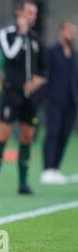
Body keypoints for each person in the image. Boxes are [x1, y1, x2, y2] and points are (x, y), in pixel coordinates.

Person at [0, 0, 46, 195]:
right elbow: (10, 55)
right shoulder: (7, 34)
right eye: (30, 13)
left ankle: (23, 183)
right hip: (12, 94)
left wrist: (39, 80)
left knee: (27, 136)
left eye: (35, 13)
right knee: (3, 134)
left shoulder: (36, 38)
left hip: (30, 96)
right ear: (20, 13)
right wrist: (20, 34)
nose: (34, 17)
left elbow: (43, 67)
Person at [41, 21, 78, 184]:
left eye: (75, 32)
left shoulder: (75, 54)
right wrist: (45, 97)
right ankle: (47, 168)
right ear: (61, 31)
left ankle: (56, 168)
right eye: (70, 31)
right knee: (52, 134)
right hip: (54, 100)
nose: (73, 34)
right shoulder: (51, 52)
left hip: (71, 101)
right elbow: (43, 75)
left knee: (64, 135)